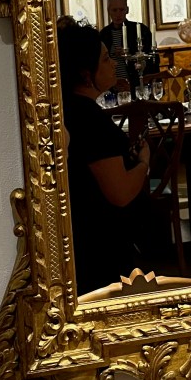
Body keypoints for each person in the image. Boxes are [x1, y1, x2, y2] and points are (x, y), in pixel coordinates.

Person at [57, 17, 151, 295]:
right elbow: (119, 192)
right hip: (100, 244)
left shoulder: (71, 109)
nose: (112, 64)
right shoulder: (89, 118)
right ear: (86, 73)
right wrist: (144, 162)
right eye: (106, 59)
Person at [100, 0, 158, 93]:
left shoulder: (139, 30)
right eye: (114, 10)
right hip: (112, 86)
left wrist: (130, 55)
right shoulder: (104, 34)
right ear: (109, 11)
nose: (118, 14)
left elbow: (153, 58)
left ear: (127, 10)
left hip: (136, 84)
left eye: (121, 10)